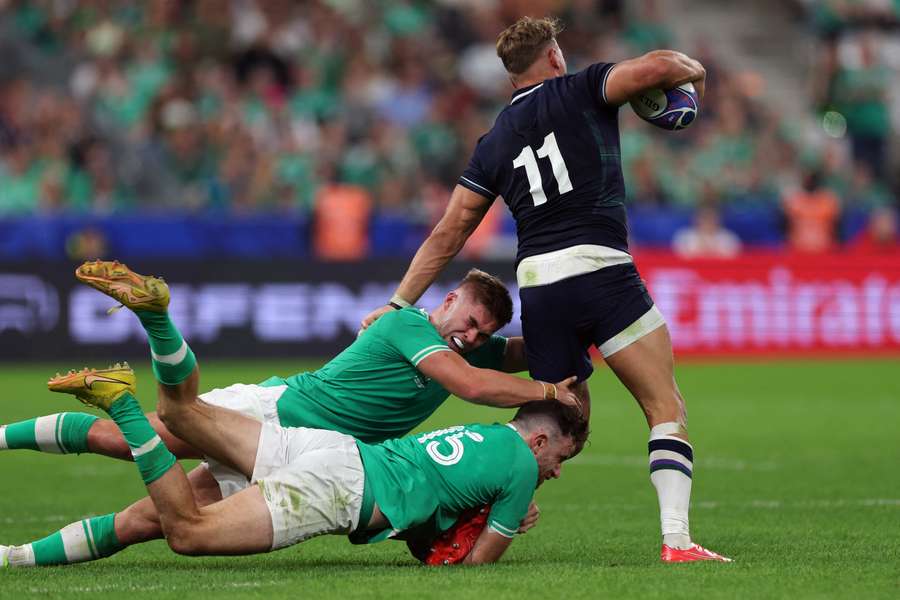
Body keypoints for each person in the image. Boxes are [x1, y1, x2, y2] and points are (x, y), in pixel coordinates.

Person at [361, 16, 730, 562]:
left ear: (510, 75)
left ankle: (465, 511)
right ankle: (677, 541)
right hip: (602, 268)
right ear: (554, 55)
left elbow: (451, 230)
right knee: (663, 405)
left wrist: (398, 303)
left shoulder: (495, 140)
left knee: (557, 425)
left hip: (541, 284)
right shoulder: (582, 87)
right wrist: (696, 71)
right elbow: (659, 67)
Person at [0, 260, 578, 567]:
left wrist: (583, 331)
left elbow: (533, 350)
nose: (472, 336)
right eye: (468, 320)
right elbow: (472, 387)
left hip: (315, 456)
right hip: (279, 416)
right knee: (127, 436)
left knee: (149, 521)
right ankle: (152, 323)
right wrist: (552, 394)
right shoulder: (408, 325)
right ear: (446, 300)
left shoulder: (472, 348)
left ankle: (18, 559)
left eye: (483, 332)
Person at [1, 361, 586, 567]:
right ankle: (124, 404)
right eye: (560, 458)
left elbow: (420, 525)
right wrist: (483, 528)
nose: (556, 472)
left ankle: (16, 558)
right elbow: (474, 565)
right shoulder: (520, 471)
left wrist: (445, 525)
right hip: (339, 488)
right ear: (540, 443)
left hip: (328, 447)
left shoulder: (485, 433)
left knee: (177, 434)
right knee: (186, 533)